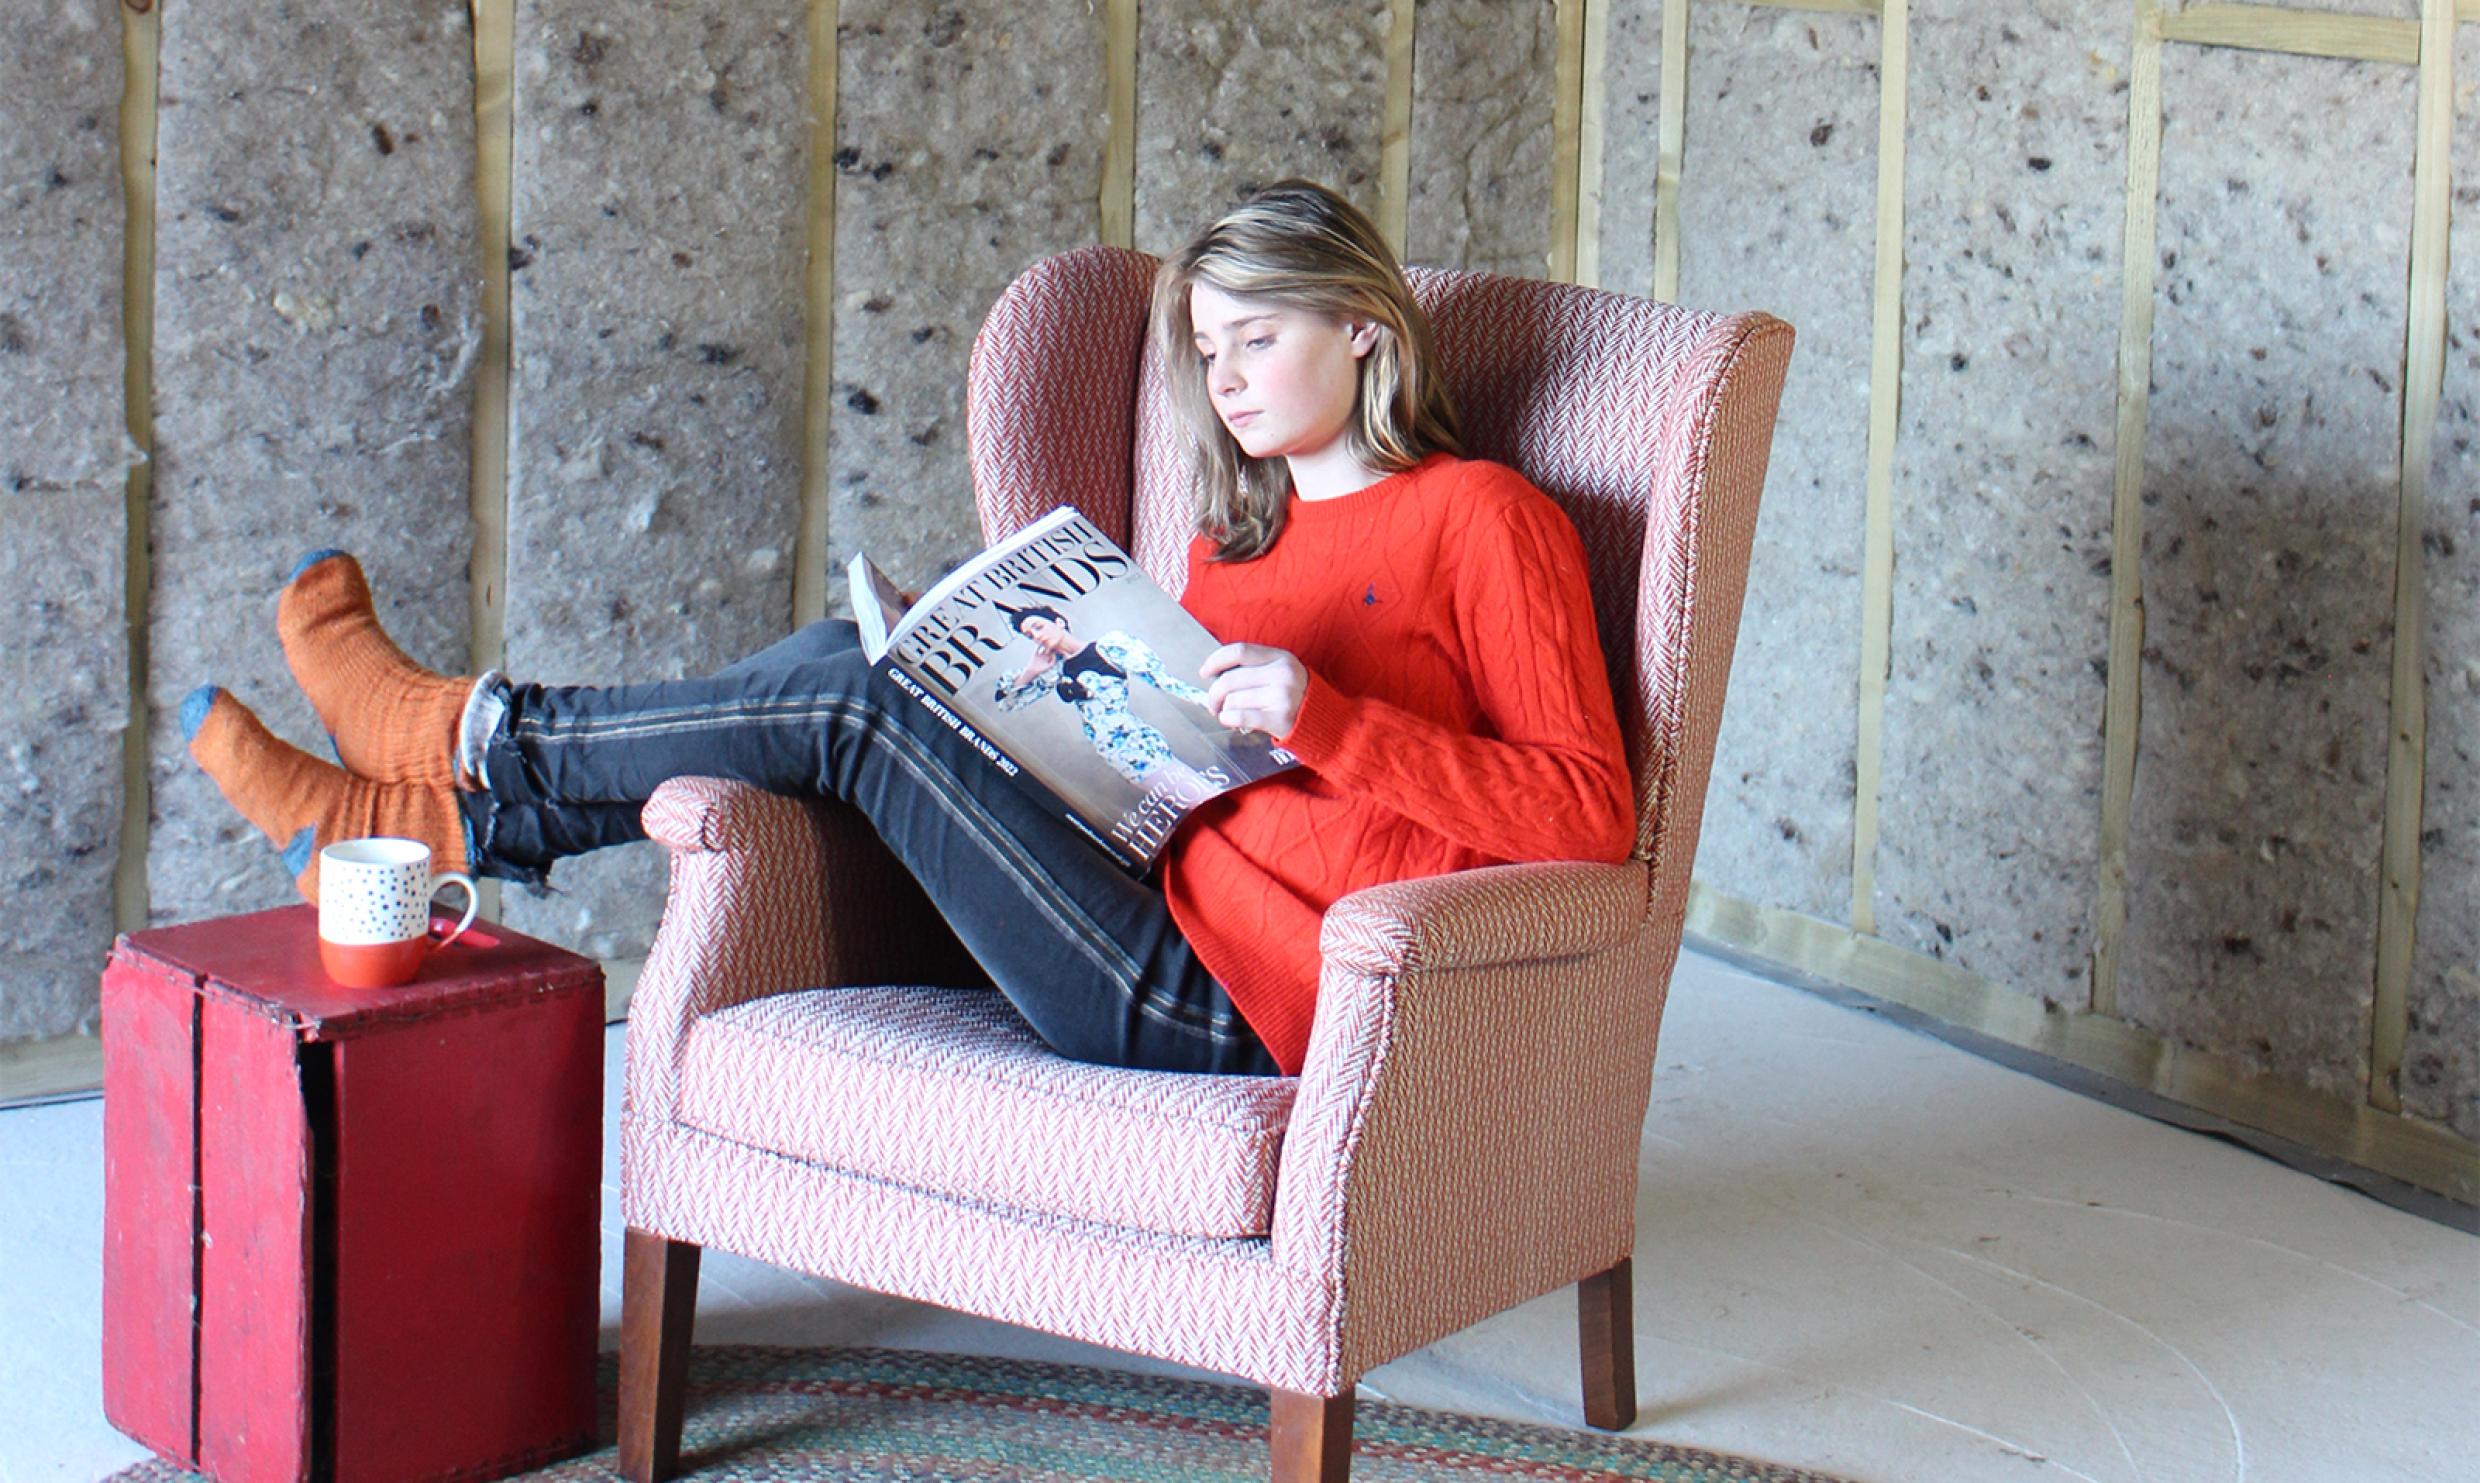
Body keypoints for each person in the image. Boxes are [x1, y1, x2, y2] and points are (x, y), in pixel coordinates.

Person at [181, 178, 1633, 1080]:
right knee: (854, 658)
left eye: (1258, 338)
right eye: (1206, 350)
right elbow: (1178, 776)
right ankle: (464, 813)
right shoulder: (1230, 540)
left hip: (1246, 997)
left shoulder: (1483, 518)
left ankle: (463, 751)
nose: (1228, 380)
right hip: (1139, 891)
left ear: (1363, 325)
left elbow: (1587, 814)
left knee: (851, 700)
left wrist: (1327, 718)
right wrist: (1028, 693)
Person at [989, 603, 1218, 800]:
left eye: (1038, 627)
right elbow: (1007, 704)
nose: (1036, 636)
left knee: (1200, 798)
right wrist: (1030, 672)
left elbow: (1163, 681)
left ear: (1059, 622)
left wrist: (1212, 702)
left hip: (1136, 745)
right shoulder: (1054, 671)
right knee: (1188, 801)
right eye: (1030, 636)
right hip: (1115, 756)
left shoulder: (1109, 647)